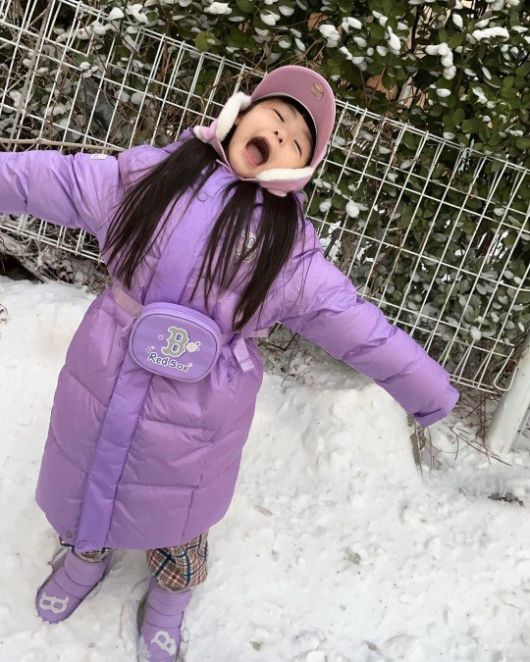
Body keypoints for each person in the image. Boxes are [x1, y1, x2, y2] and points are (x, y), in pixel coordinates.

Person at [0, 65, 459, 661]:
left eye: (299, 140)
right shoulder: (149, 177)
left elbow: (358, 327)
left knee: (180, 515)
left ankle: (171, 595)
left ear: (299, 171)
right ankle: (86, 556)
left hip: (196, 415)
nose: (283, 132)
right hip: (106, 374)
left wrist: (428, 391)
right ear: (239, 116)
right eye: (277, 115)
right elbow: (53, 180)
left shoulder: (288, 252)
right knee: (84, 477)